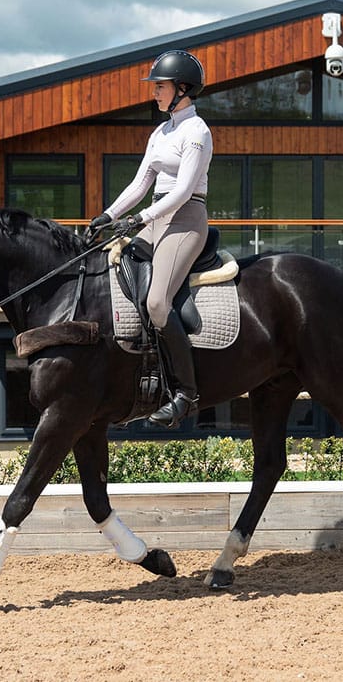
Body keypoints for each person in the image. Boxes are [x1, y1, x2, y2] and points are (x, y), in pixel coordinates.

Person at [88, 49, 212, 427]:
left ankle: (185, 394)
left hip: (185, 219)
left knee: (158, 302)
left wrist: (139, 218)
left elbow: (184, 190)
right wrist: (109, 215)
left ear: (182, 89)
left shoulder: (197, 132)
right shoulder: (160, 132)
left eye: (160, 87)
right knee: (111, 272)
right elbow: (141, 183)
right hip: (155, 217)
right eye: (155, 87)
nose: (154, 93)